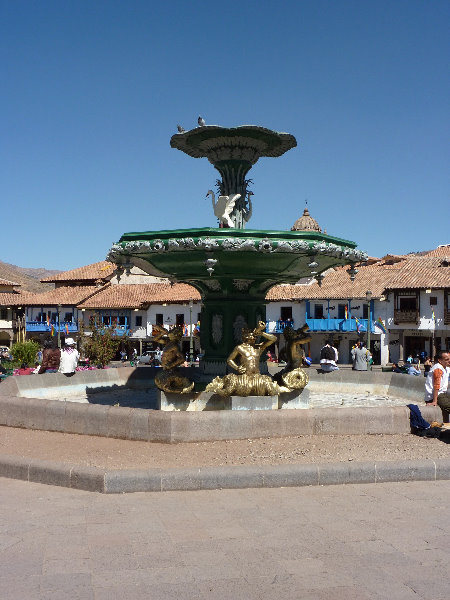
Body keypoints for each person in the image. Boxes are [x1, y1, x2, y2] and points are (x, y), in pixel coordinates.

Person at [424, 350, 450, 421]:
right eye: (447, 359)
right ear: (440, 360)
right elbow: (436, 385)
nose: (449, 361)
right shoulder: (438, 368)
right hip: (436, 395)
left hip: (442, 393)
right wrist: (434, 401)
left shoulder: (446, 367)